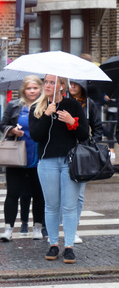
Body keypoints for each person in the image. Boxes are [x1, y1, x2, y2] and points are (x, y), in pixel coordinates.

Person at [29, 74, 88, 264]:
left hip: (69, 162)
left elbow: (84, 135)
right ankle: (53, 244)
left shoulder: (73, 105)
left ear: (62, 86)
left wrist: (72, 122)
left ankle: (69, 246)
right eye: (45, 82)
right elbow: (35, 135)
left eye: (52, 82)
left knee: (69, 206)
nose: (47, 85)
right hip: (47, 162)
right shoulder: (37, 107)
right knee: (51, 206)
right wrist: (47, 115)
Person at [0, 75, 45, 241]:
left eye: (35, 88)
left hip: (38, 156)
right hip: (16, 156)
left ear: (40, 89)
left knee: (38, 194)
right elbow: (2, 125)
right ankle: (8, 229)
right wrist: (12, 130)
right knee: (12, 193)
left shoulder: (46, 106)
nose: (32, 91)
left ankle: (37, 227)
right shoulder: (14, 105)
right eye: (29, 88)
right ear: (23, 90)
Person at [68, 79, 103, 245]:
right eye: (70, 83)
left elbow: (97, 128)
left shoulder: (89, 104)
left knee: (79, 195)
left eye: (76, 83)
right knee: (62, 193)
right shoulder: (62, 101)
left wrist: (91, 146)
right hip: (63, 151)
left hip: (81, 154)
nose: (72, 86)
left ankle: (73, 229)